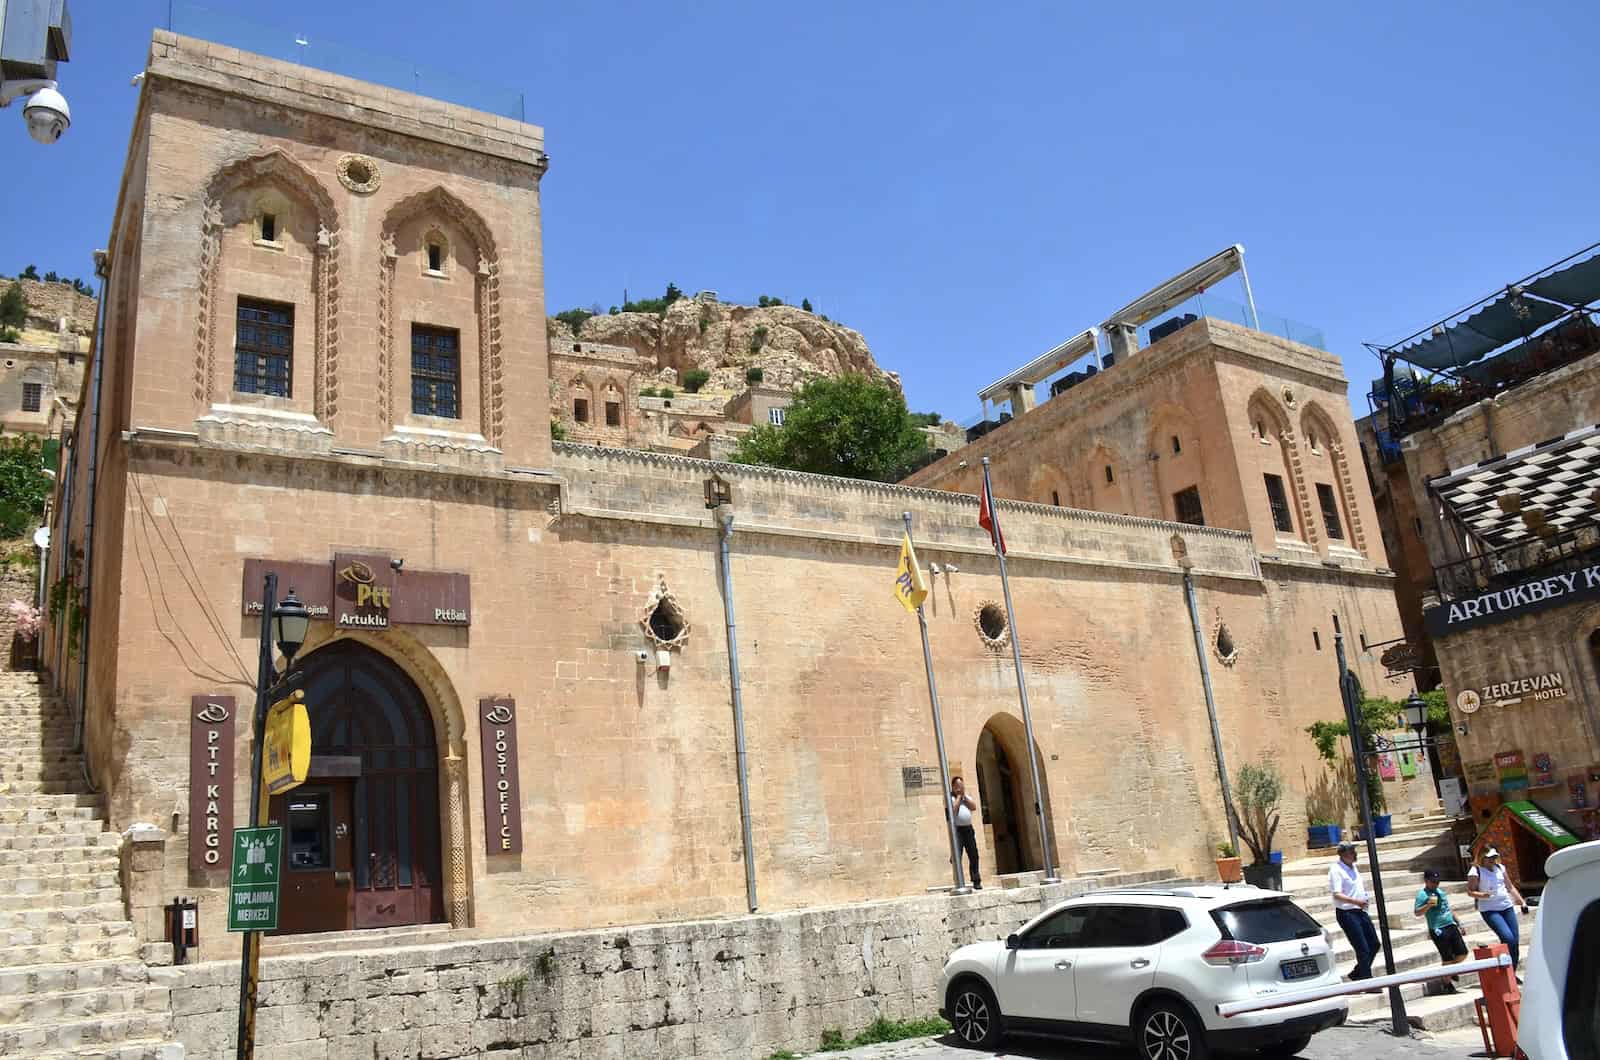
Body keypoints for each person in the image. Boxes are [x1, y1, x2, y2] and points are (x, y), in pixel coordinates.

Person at [1467, 846, 1529, 973]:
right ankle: (1505, 969)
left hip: (1506, 906)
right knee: (1507, 937)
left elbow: (1510, 887)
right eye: (1489, 857)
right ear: (1482, 857)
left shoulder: (1500, 868)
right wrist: (1483, 895)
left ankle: (1512, 971)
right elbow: (1470, 891)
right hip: (1490, 909)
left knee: (1515, 940)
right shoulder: (1476, 871)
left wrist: (1522, 902)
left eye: (1494, 857)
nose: (1492, 860)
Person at [1329, 842, 1379, 982]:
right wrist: (1357, 902)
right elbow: (1337, 894)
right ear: (1343, 854)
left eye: (1354, 851)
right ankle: (1367, 980)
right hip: (1347, 913)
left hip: (1360, 911)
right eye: (1351, 852)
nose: (1354, 854)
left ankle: (1358, 973)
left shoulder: (1353, 867)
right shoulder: (1336, 870)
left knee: (1374, 944)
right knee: (1362, 948)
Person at [1414, 868, 1468, 993]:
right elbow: (1417, 912)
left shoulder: (1440, 892)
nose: (1436, 884)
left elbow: (1448, 908)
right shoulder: (1422, 894)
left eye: (1437, 882)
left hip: (1450, 924)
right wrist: (1428, 905)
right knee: (1447, 957)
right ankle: (1447, 983)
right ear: (1426, 881)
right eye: (1433, 882)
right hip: (1437, 928)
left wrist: (1459, 923)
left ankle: (1449, 972)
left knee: (1462, 953)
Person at [949, 777, 981, 890]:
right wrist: (958, 797)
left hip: (968, 829)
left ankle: (976, 880)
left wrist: (964, 798)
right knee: (957, 856)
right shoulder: (951, 798)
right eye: (958, 786)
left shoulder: (966, 797)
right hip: (957, 830)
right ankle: (958, 880)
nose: (960, 788)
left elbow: (973, 807)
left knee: (974, 855)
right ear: (953, 787)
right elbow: (953, 810)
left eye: (962, 786)